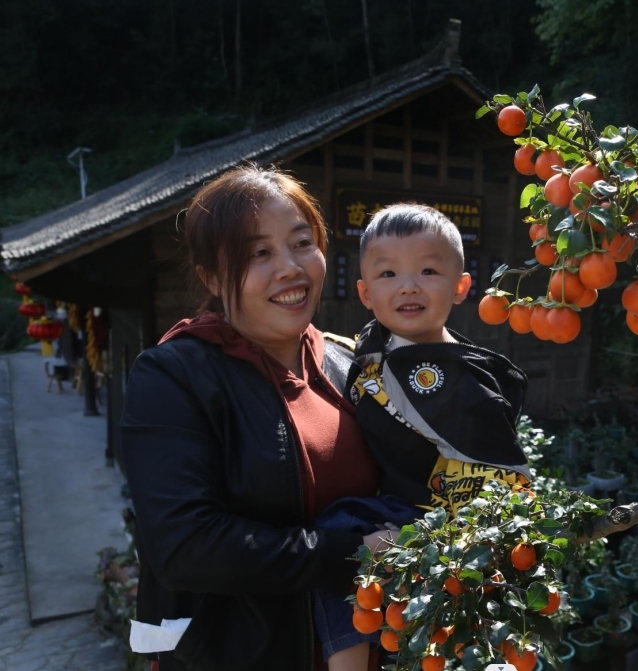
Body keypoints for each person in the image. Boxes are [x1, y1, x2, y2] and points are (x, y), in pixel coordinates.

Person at [120, 165, 393, 671]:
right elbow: (184, 545)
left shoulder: (346, 362)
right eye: (258, 254)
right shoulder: (174, 376)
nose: (290, 267)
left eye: (301, 242)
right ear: (210, 276)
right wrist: (352, 553)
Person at [310, 204, 534, 668]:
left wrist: (447, 541)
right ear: (365, 292)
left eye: (429, 270)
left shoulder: (469, 386)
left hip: (436, 521)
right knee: (333, 542)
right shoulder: (371, 345)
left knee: (338, 534)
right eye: (388, 273)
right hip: (392, 508)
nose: (409, 285)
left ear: (461, 285)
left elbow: (503, 476)